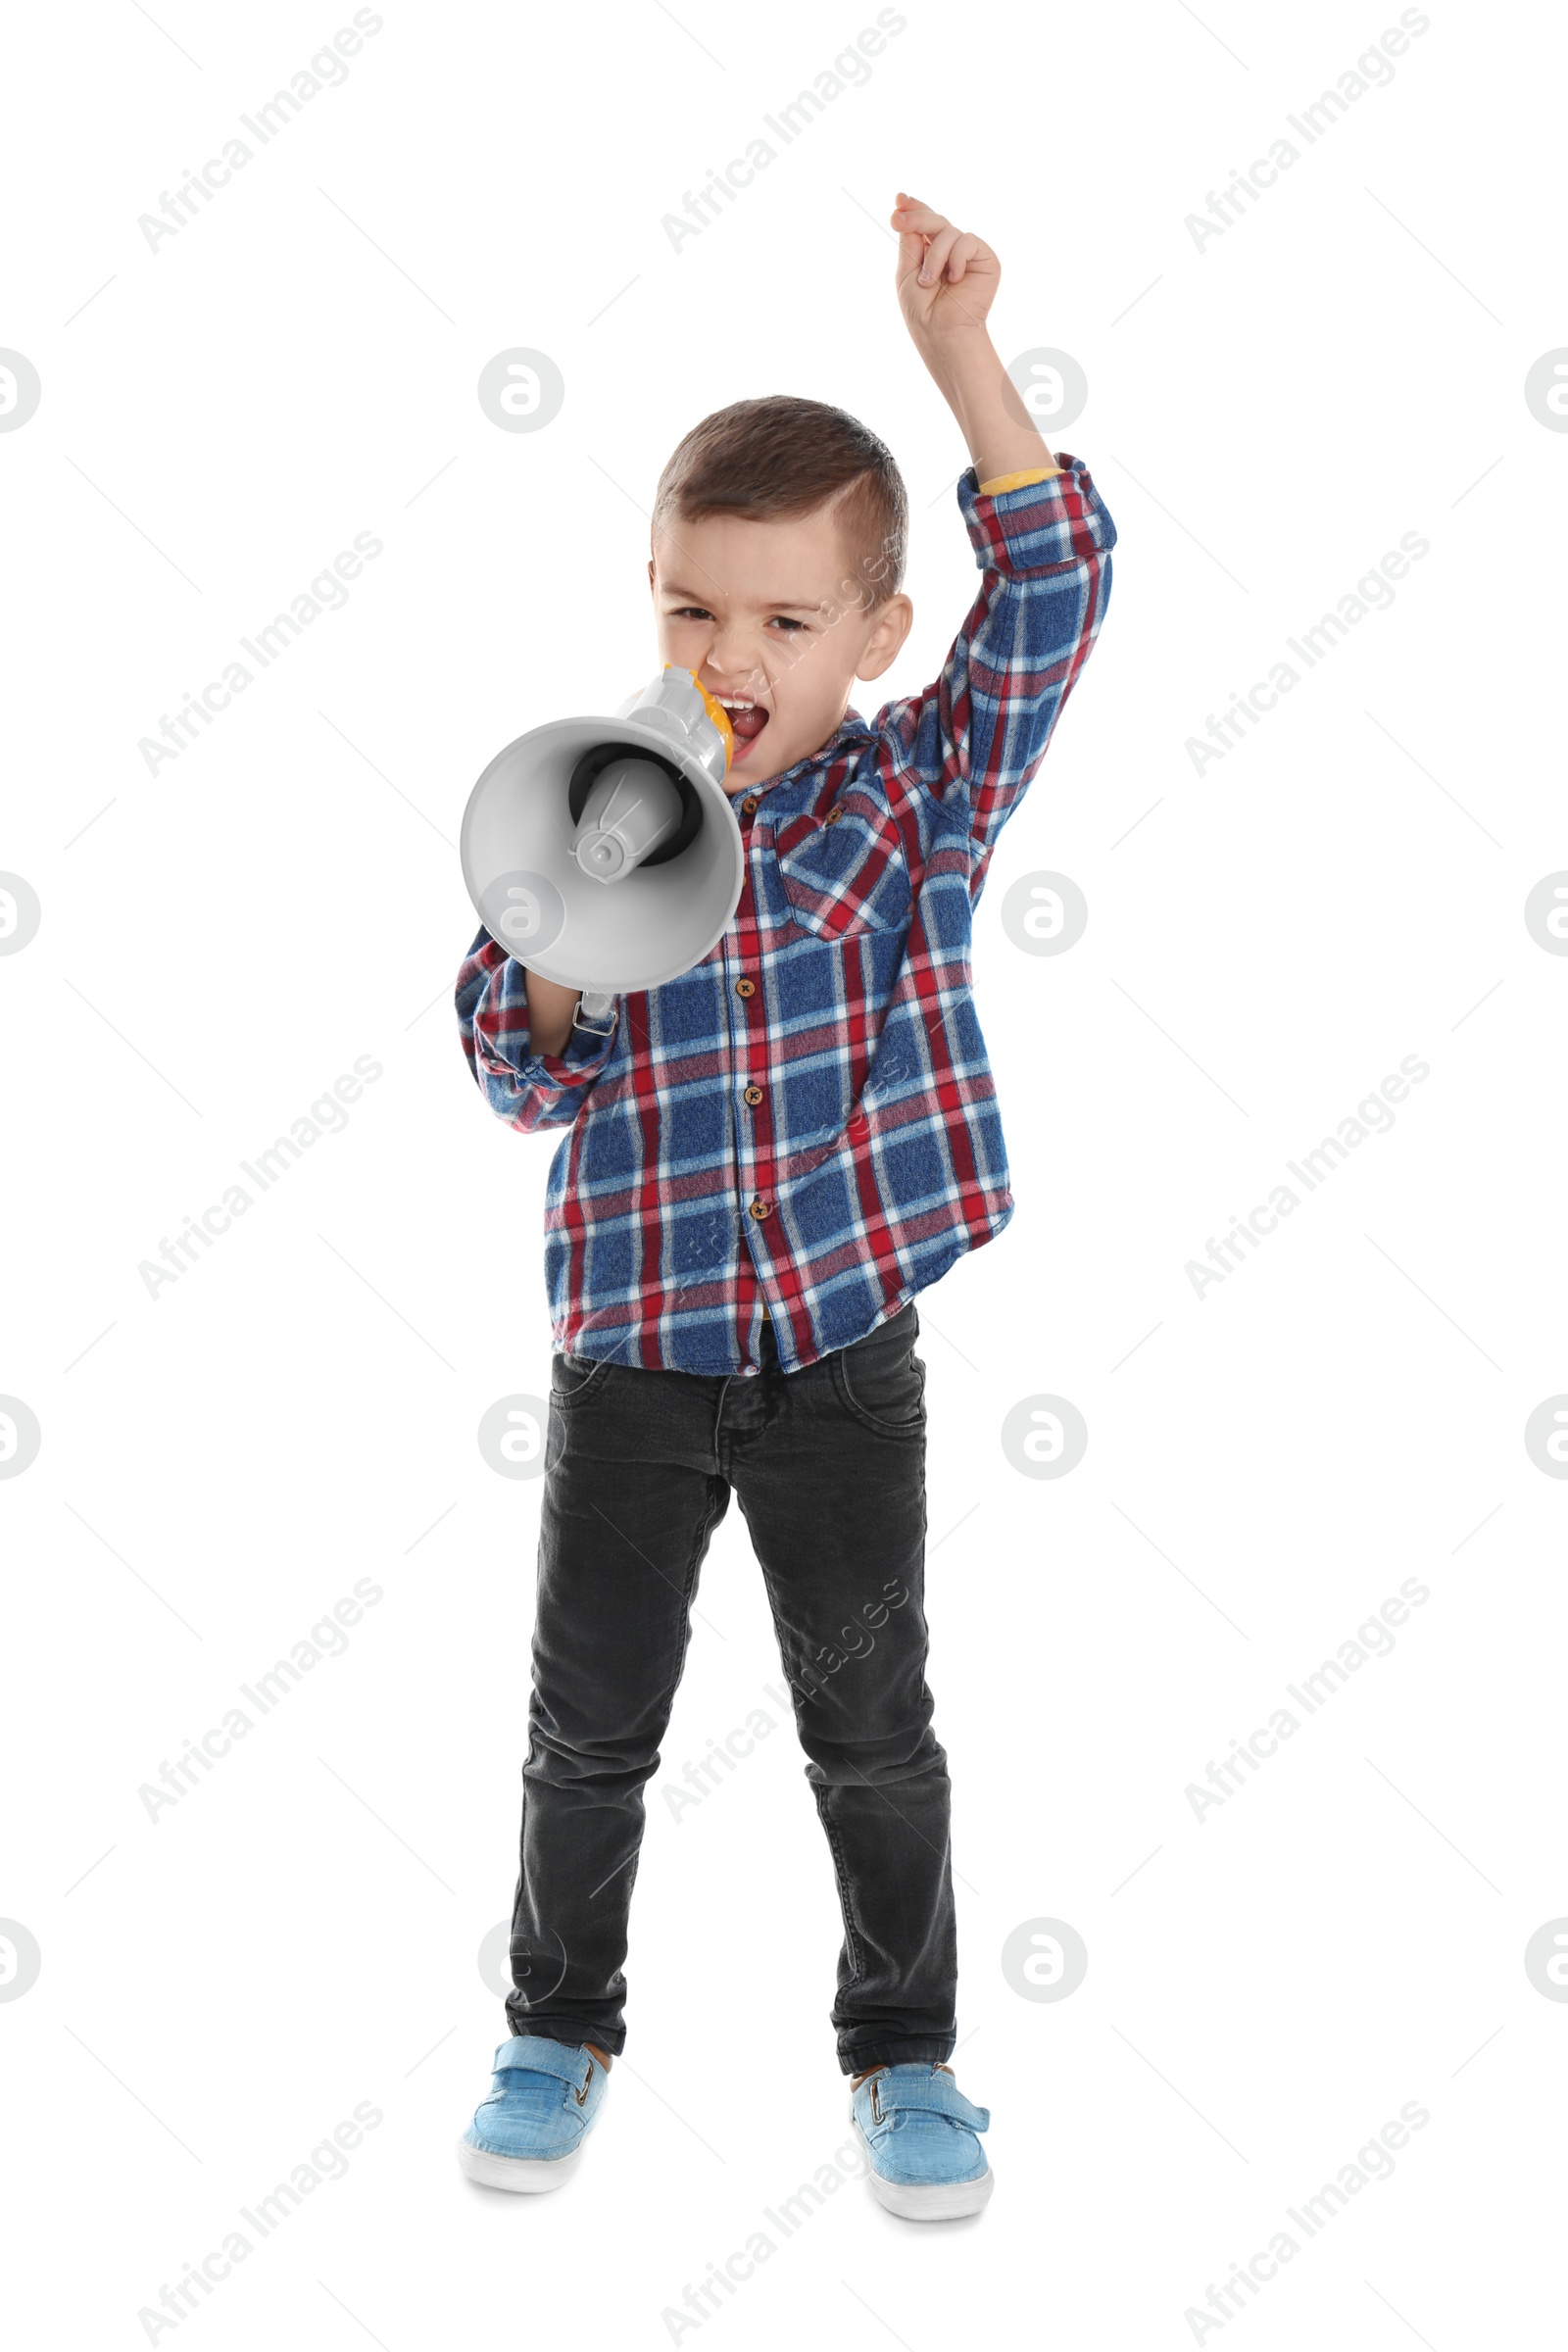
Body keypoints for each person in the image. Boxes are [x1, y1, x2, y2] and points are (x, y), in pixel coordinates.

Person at [453, 193, 1115, 2220]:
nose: (729, 658)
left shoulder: (915, 791)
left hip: (837, 1356)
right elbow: (512, 1068)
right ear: (648, 603)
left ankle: (904, 2059)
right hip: (632, 1361)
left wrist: (961, 367)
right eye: (689, 612)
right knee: (586, 1736)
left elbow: (1059, 588)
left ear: (873, 638)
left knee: (870, 1730)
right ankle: (555, 2024)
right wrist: (567, 918)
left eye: (782, 620)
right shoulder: (595, 802)